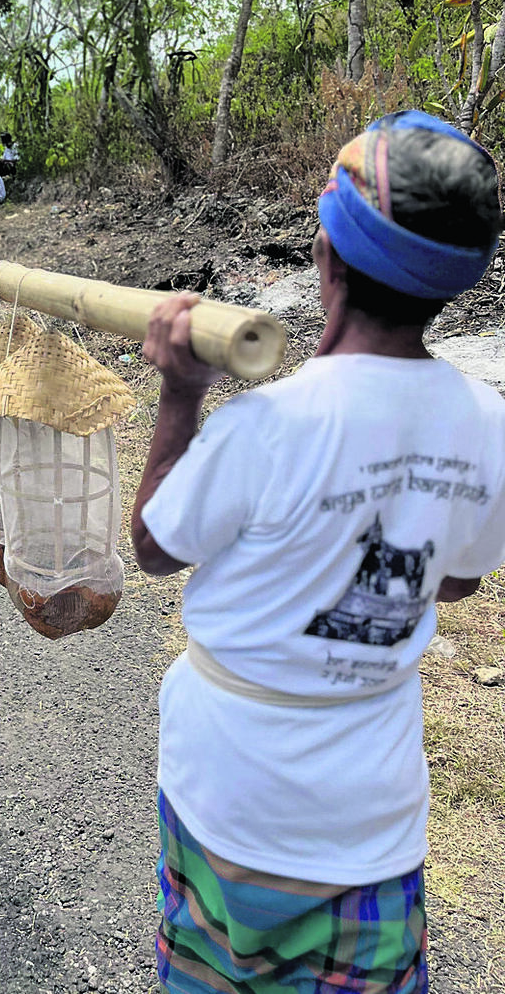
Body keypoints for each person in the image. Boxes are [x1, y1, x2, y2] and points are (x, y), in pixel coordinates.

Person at [131, 110, 505, 994]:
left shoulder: (264, 426)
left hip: (227, 793)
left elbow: (151, 548)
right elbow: (454, 582)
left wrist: (181, 394)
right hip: (368, 823)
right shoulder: (490, 427)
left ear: (326, 260)